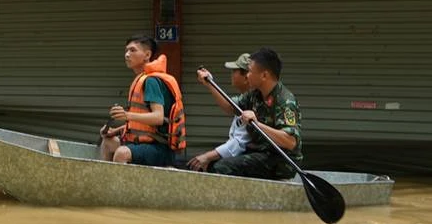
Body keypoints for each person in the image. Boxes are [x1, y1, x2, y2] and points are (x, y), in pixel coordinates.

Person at [195, 47, 301, 180]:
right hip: (259, 154)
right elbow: (229, 107)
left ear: (264, 75)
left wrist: (258, 124)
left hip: (280, 160)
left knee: (222, 167)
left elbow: (290, 141)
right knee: (212, 164)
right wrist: (210, 83)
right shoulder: (255, 95)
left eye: (250, 71)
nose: (247, 75)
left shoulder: (285, 101)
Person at [99, 34, 186, 167]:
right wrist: (116, 130)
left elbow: (158, 117)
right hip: (141, 144)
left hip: (159, 148)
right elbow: (144, 126)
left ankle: (120, 187)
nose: (127, 54)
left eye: (133, 50)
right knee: (108, 142)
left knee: (122, 153)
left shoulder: (151, 81)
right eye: (126, 51)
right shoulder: (142, 78)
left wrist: (127, 115)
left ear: (147, 55)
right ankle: (105, 184)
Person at [187, 53, 252, 172]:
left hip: (248, 155)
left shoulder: (254, 102)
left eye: (234, 71)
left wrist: (207, 157)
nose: (231, 75)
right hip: (241, 152)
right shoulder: (245, 98)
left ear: (246, 77)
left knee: (213, 166)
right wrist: (210, 83)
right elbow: (229, 107)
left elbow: (239, 143)